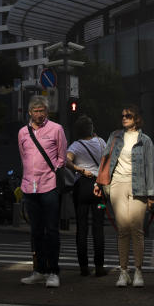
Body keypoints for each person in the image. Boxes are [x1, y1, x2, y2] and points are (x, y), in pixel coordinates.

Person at [94, 104, 154, 288]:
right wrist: (99, 183)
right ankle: (123, 271)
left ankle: (138, 271)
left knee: (137, 230)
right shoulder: (114, 136)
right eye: (122, 115)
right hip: (118, 185)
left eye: (128, 115)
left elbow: (150, 168)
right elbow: (105, 160)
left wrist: (151, 194)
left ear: (136, 118)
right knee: (122, 230)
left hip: (140, 187)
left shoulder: (145, 140)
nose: (124, 118)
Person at [18, 96, 67, 288]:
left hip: (49, 185)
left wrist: (53, 171)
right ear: (29, 112)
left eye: (42, 110)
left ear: (47, 112)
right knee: (35, 231)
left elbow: (62, 157)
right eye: (35, 110)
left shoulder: (56, 129)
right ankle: (38, 270)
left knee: (52, 231)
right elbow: (23, 157)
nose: (39, 114)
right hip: (29, 186)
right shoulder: (22, 132)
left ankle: (53, 272)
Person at [65, 115, 108, 277]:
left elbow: (66, 161)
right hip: (99, 189)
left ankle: (84, 267)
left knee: (81, 228)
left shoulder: (75, 146)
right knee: (98, 227)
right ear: (91, 128)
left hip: (81, 188)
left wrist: (79, 170)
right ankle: (99, 267)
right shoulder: (101, 142)